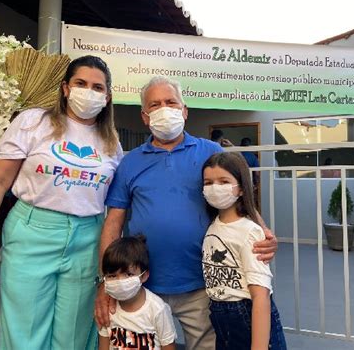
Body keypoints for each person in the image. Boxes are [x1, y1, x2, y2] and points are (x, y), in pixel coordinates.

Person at [96, 76, 278, 350]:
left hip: (202, 285)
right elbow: (113, 223)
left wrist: (264, 233)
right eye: (155, 105)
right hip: (143, 287)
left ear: (184, 110)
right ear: (145, 117)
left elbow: (241, 197)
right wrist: (106, 280)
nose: (164, 109)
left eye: (171, 102)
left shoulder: (211, 152)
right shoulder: (130, 162)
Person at [0, 55, 123, 349]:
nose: (88, 91)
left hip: (87, 239)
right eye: (81, 83)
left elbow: (115, 203)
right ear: (65, 88)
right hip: (33, 233)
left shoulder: (111, 141)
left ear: (107, 96)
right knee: (25, 334)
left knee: (74, 336)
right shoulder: (34, 121)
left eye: (97, 87)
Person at [202, 152, 287, 350]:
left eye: (224, 181)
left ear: (241, 188)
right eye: (208, 182)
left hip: (246, 313)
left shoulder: (249, 231)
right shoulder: (213, 225)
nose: (215, 188)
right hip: (220, 316)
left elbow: (261, 296)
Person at [99, 235, 176, 350]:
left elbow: (168, 346)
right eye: (112, 276)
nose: (120, 281)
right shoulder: (108, 310)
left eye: (129, 274)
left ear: (144, 275)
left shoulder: (157, 309)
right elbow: (103, 346)